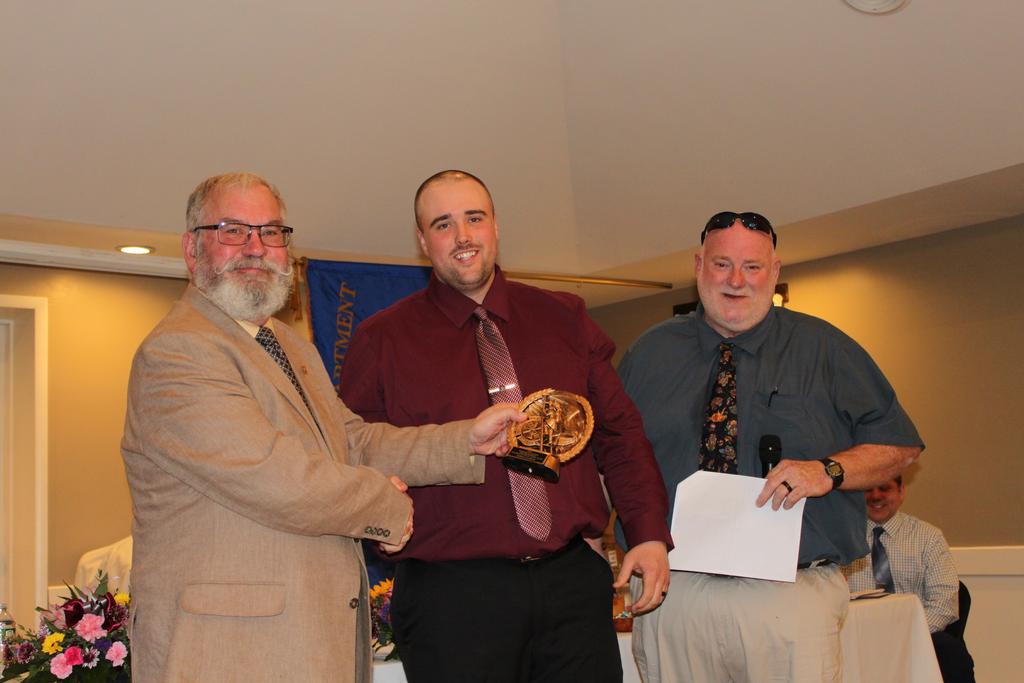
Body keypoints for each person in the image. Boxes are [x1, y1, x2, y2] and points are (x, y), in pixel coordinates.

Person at [121, 172, 522, 682]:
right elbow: (271, 476)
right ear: (191, 248)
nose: (255, 247)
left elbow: (352, 440)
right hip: (228, 655)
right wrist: (388, 506)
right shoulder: (177, 351)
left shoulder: (290, 346)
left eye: (271, 231)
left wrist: (464, 440)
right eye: (233, 230)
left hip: (307, 643)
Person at [339, 169, 672, 682]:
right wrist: (381, 523)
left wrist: (648, 533)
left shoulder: (565, 317)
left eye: (474, 218)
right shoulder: (381, 340)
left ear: (495, 225)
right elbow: (356, 454)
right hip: (452, 598)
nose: (463, 236)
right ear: (423, 241)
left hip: (572, 586)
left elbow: (620, 433)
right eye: (443, 224)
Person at [617, 211, 924, 682]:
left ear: (774, 271)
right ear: (699, 266)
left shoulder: (825, 348)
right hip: (675, 592)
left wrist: (827, 471)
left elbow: (899, 446)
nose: (736, 280)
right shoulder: (649, 354)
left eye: (752, 267)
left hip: (789, 595)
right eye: (722, 264)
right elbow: (613, 456)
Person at [844, 476, 976, 682]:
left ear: (901, 492)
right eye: (868, 489)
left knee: (949, 652)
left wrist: (903, 636)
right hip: (859, 640)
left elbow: (944, 604)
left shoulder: (929, 538)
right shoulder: (841, 540)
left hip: (919, 638)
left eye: (885, 488)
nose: (875, 496)